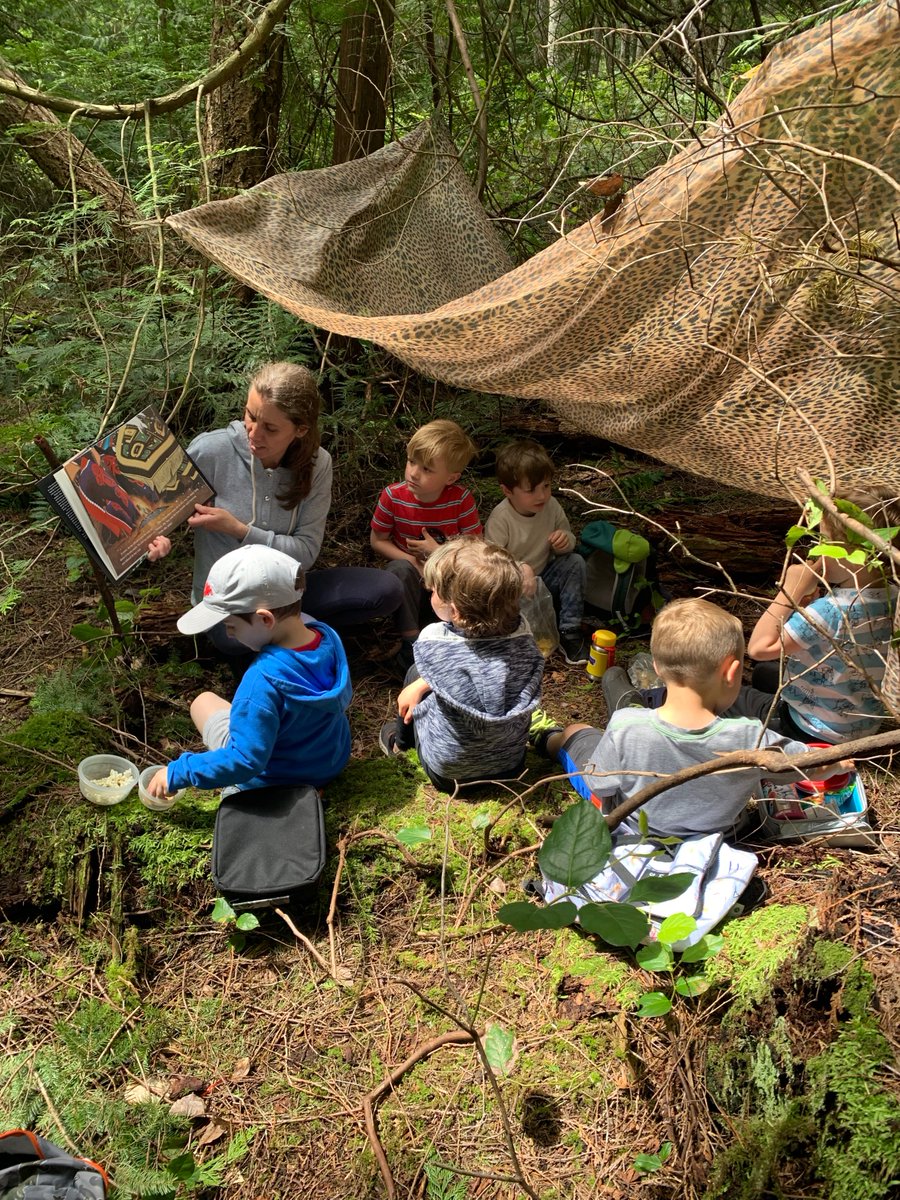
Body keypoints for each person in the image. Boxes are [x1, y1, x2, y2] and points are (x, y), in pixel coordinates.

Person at [529, 598, 851, 840]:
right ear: (732, 672)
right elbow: (809, 764)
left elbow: (601, 785)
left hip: (637, 832)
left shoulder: (626, 726)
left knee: (580, 731)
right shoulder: (750, 739)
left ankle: (549, 737)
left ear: (656, 667)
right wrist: (839, 764)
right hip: (714, 839)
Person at [149, 361, 403, 654]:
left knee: (385, 589)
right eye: (250, 416)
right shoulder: (211, 451)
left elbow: (306, 553)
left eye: (270, 428)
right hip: (230, 608)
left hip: (287, 597)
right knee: (236, 638)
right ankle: (299, 643)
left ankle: (286, 641)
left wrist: (239, 530)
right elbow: (158, 514)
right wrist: (159, 539)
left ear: (300, 429)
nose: (254, 434)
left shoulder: (317, 464)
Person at [146, 544, 352, 798]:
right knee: (206, 702)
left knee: (201, 703)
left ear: (266, 619)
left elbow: (245, 761)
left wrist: (179, 771)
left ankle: (289, 800)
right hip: (328, 762)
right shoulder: (328, 639)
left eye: (230, 626)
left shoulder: (261, 681)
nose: (228, 634)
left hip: (276, 781)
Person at [724, 488, 900, 744]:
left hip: (811, 728)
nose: (816, 552)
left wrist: (789, 591)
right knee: (764, 674)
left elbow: (759, 648)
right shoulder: (893, 595)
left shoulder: (832, 611)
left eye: (823, 542)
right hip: (861, 723)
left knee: (738, 696)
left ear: (850, 554)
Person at [378, 538, 545, 793]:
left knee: (414, 674)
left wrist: (419, 684)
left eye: (433, 591)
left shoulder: (435, 641)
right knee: (424, 682)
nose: (430, 593)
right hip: (511, 766)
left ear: (454, 611)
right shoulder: (524, 638)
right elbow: (480, 668)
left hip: (449, 774)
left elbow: (450, 668)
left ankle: (401, 745)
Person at [370, 419, 482, 661]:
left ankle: (458, 637)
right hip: (411, 581)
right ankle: (410, 643)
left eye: (427, 469)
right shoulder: (393, 496)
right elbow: (378, 540)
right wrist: (411, 560)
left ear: (450, 478)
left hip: (448, 578)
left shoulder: (461, 500)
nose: (413, 473)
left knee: (473, 575)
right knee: (398, 569)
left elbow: (475, 549)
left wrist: (438, 553)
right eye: (412, 462)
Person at [484, 439, 589, 664]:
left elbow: (568, 538)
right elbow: (492, 560)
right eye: (530, 490)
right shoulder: (501, 518)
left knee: (575, 561)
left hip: (545, 577)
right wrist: (521, 569)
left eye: (546, 486)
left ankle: (570, 632)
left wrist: (565, 541)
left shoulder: (551, 507)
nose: (541, 496)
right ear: (507, 490)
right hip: (514, 587)